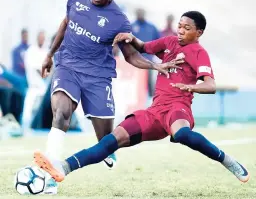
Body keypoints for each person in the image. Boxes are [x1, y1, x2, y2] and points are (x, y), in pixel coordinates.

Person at [34, 11, 249, 184]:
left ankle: (227, 160)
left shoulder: (199, 52)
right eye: (180, 26)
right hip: (154, 111)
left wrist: (190, 87)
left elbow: (210, 85)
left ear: (199, 32)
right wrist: (130, 38)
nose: (181, 31)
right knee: (112, 139)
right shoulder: (170, 42)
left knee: (181, 134)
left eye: (187, 28)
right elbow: (144, 47)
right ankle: (64, 167)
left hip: (178, 107)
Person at [40, 0, 174, 171]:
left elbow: (131, 56)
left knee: (106, 142)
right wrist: (49, 54)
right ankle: (49, 168)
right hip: (67, 66)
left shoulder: (119, 20)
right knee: (61, 114)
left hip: (97, 77)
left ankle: (107, 151)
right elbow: (65, 24)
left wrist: (156, 66)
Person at [22, 31, 48, 132]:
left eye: (43, 38)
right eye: (40, 37)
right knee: (28, 108)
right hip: (34, 86)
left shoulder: (46, 51)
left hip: (44, 87)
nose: (42, 40)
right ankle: (25, 128)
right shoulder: (31, 51)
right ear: (37, 38)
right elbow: (38, 69)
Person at [132, 8, 161, 96]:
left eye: (141, 12)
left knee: (148, 80)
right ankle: (136, 96)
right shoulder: (131, 26)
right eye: (138, 13)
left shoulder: (151, 27)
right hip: (134, 58)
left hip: (148, 59)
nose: (140, 14)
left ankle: (150, 97)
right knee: (135, 80)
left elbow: (159, 41)